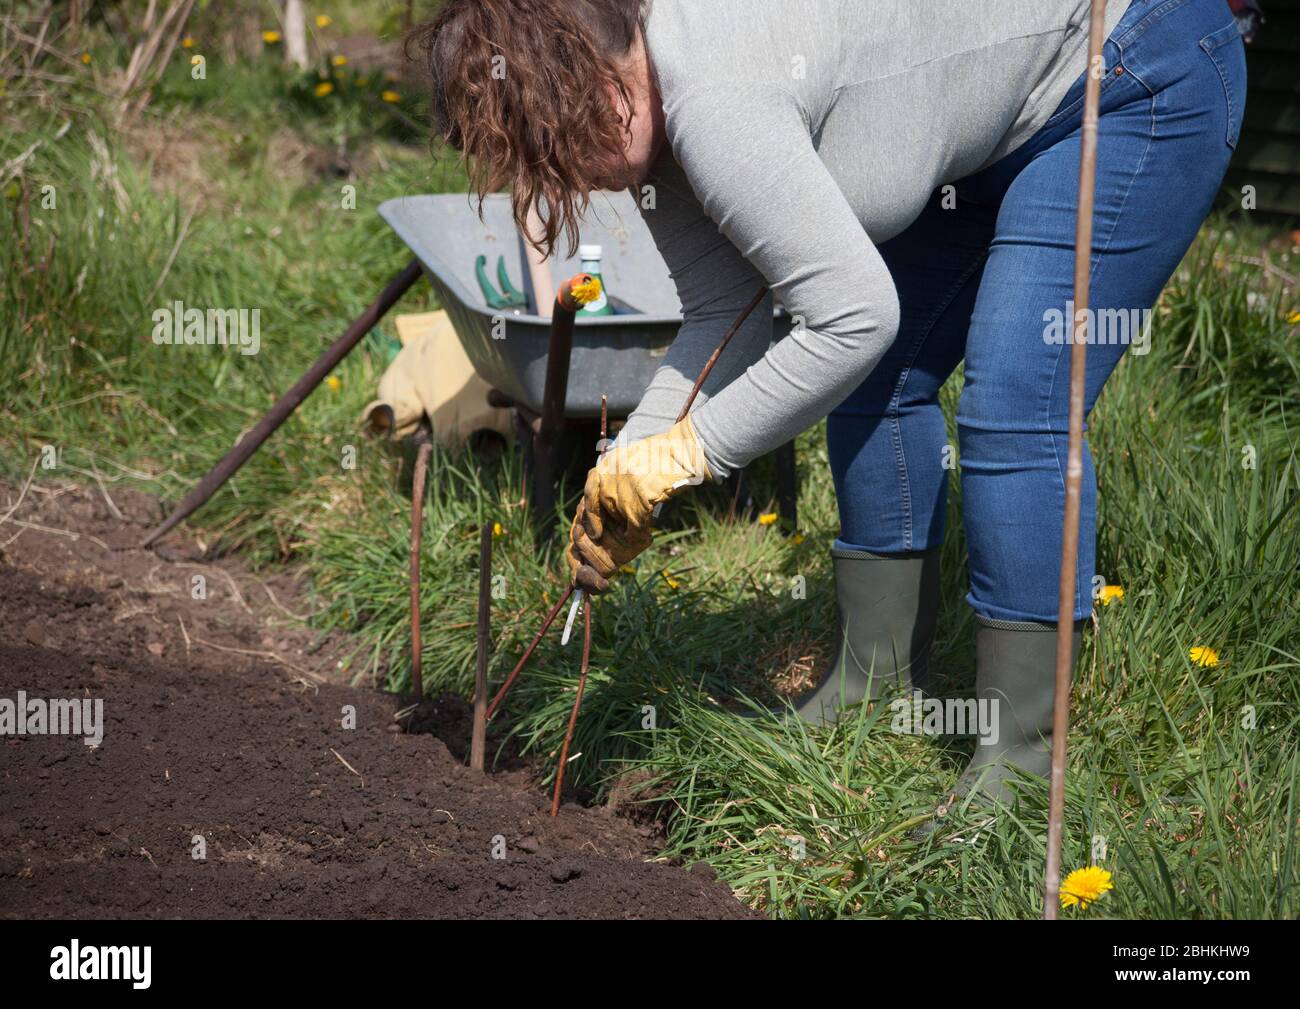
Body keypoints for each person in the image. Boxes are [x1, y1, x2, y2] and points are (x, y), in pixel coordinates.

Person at [413, 0, 1246, 805]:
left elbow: (854, 318)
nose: (559, 176)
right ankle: (873, 683)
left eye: (549, 145)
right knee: (879, 386)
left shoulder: (712, 97)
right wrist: (630, 463)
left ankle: (1022, 755)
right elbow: (719, 318)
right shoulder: (654, 110)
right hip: (997, 122)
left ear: (596, 83)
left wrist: (685, 457)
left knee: (1012, 403)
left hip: (1130, 69)